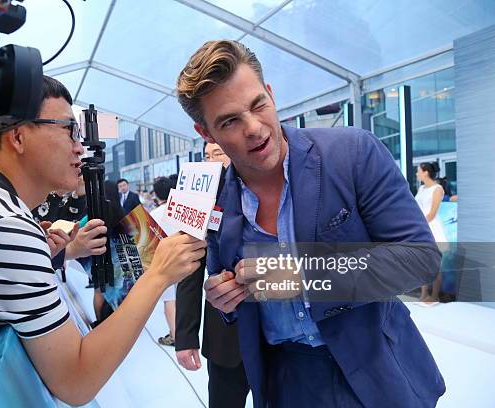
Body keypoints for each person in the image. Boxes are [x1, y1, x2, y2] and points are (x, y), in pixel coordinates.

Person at [176, 40, 445, 408]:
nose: (254, 128)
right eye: (230, 121)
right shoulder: (214, 202)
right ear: (206, 133)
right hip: (289, 381)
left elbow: (420, 258)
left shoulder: (351, 153)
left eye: (258, 105)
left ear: (270, 93)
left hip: (381, 369)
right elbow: (234, 289)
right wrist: (226, 299)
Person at [0, 75, 206, 405]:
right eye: (69, 129)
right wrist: (158, 275)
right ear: (18, 137)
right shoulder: (3, 222)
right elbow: (76, 381)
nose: (80, 148)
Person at [175, 143, 250, 407]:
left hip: (280, 335)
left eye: (218, 153)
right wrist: (185, 337)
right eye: (207, 156)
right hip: (224, 332)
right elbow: (190, 271)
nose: (212, 162)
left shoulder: (270, 186)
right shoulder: (201, 202)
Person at [149, 176, 178, 346]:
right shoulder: (180, 209)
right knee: (183, 297)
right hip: (184, 257)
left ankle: (175, 336)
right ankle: (185, 333)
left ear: (157, 195)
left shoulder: (153, 214)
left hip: (164, 261)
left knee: (170, 300)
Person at [416, 162, 448, 304]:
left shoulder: (437, 189)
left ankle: (435, 296)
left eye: (418, 171)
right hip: (421, 227)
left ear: (426, 173)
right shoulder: (421, 188)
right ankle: (424, 294)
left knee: (435, 264)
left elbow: (432, 214)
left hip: (432, 229)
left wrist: (419, 225)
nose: (417, 174)